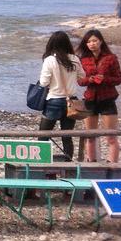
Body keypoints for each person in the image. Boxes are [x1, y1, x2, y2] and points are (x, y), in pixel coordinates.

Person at [37, 30, 85, 161]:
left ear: (51, 44)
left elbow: (43, 82)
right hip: (72, 102)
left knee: (43, 135)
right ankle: (68, 163)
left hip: (54, 101)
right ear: (67, 44)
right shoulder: (75, 59)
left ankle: (41, 162)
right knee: (67, 136)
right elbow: (82, 77)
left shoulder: (50, 60)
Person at [76, 29, 121, 162]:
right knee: (90, 136)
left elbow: (119, 79)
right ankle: (92, 163)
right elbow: (80, 81)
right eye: (89, 41)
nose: (92, 44)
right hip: (90, 99)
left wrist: (105, 79)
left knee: (111, 136)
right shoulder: (83, 60)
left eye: (94, 41)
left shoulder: (111, 58)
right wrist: (90, 79)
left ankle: (113, 165)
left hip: (108, 99)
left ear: (101, 41)